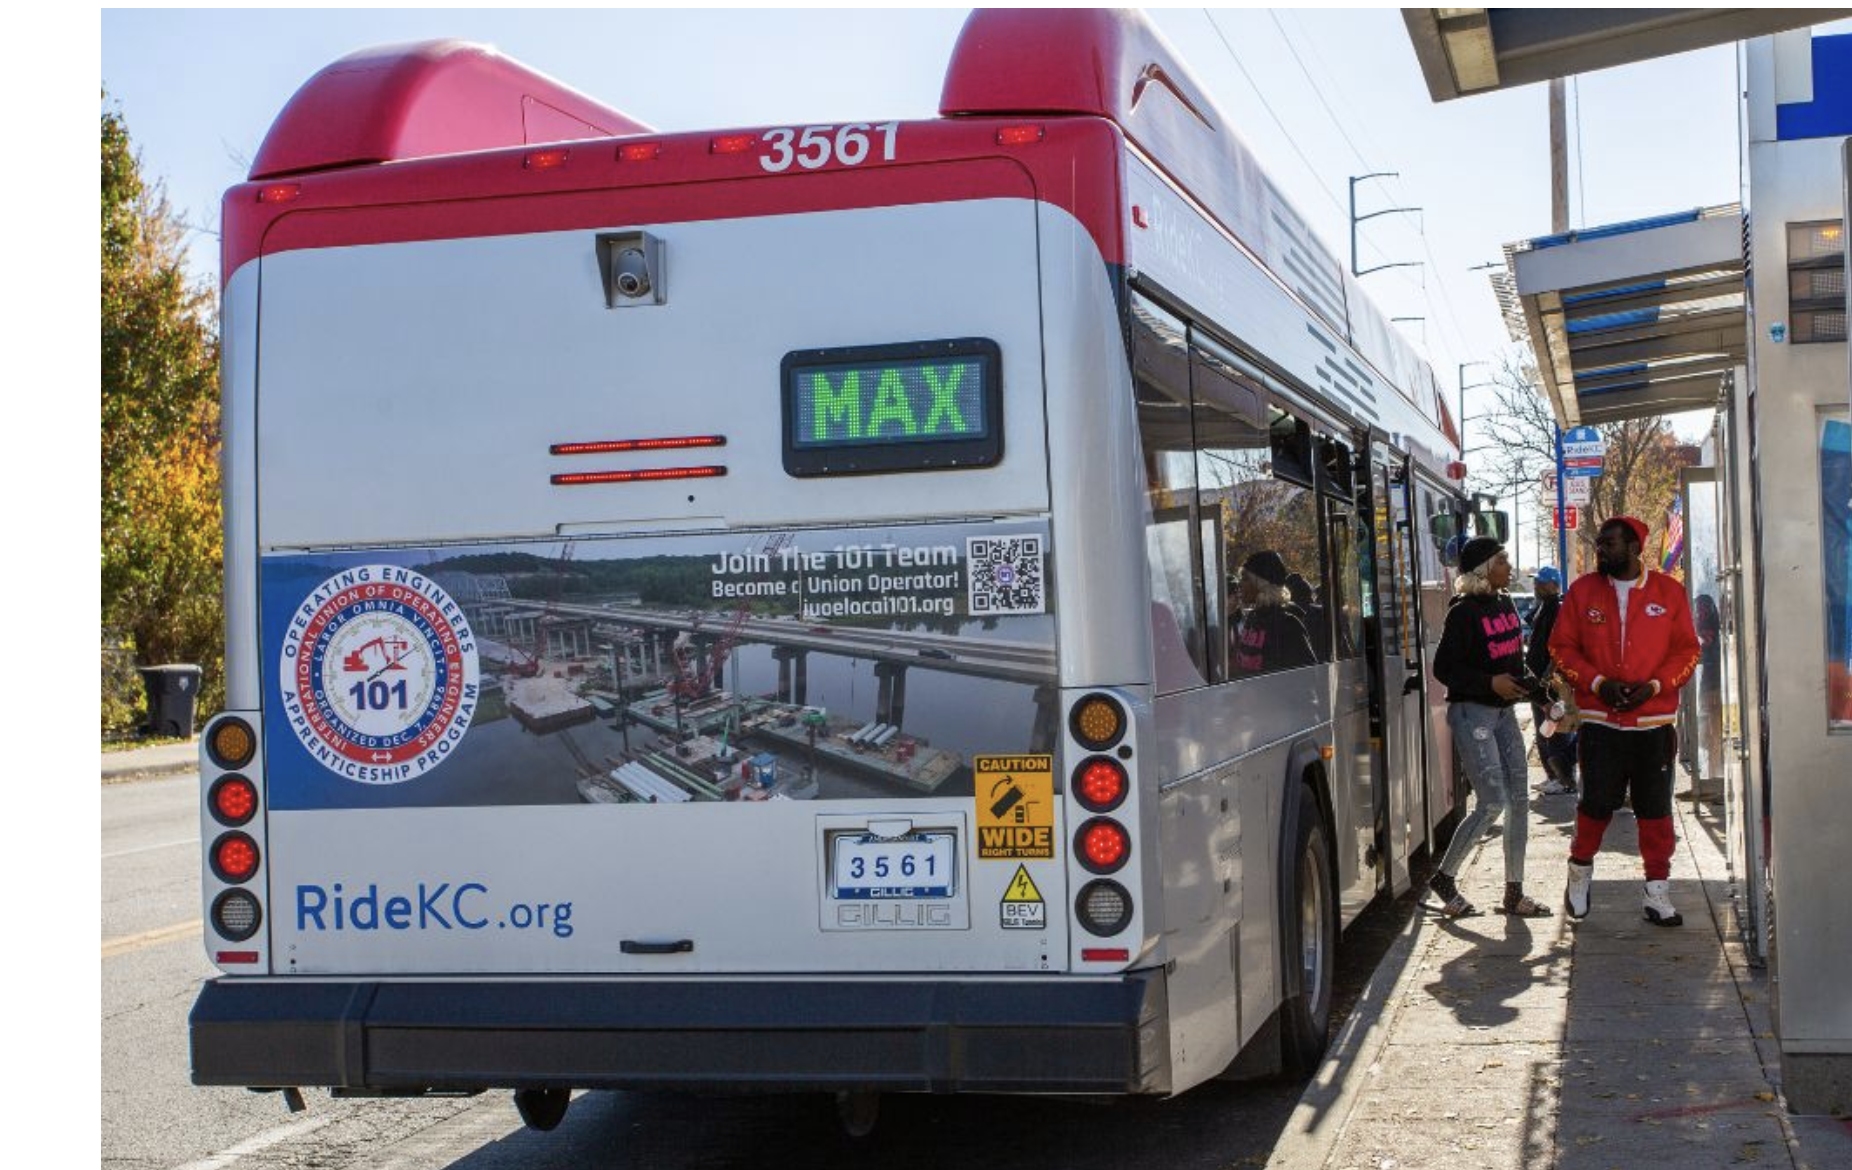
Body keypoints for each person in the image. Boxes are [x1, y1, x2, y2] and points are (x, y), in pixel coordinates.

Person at [1550, 516, 1702, 926]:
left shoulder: (1669, 592)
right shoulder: (1582, 591)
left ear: (1635, 548)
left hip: (1654, 724)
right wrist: (1598, 683)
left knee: (1656, 810)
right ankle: (1579, 873)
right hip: (1601, 723)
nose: (1601, 551)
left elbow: (1688, 650)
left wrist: (1655, 685)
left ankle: (1657, 893)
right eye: (1600, 544)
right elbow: (1561, 647)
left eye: (1609, 544)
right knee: (1595, 804)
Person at [1426, 535, 1552, 917]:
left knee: (1519, 800)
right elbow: (1444, 669)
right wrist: (1488, 683)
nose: (1509, 567)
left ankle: (1514, 893)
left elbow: (1516, 664)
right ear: (1483, 569)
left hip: (1502, 713)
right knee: (1493, 801)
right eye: (1502, 561)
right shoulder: (1462, 612)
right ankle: (1444, 879)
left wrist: (1544, 698)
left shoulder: (1506, 603)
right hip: (1471, 714)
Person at [1525, 566, 1578, 796]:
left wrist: (1549, 675)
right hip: (1537, 683)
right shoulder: (1543, 608)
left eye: (1542, 582)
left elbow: (1560, 648)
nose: (1537, 585)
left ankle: (1563, 778)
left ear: (1554, 585)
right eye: (1536, 581)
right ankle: (1553, 776)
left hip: (1551, 684)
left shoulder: (1557, 609)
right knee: (1544, 729)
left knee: (1556, 729)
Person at [1230, 551, 1317, 675]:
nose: (1239, 584)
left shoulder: (1288, 625)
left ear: (1262, 584)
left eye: (1245, 578)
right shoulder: (1251, 619)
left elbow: (1307, 678)